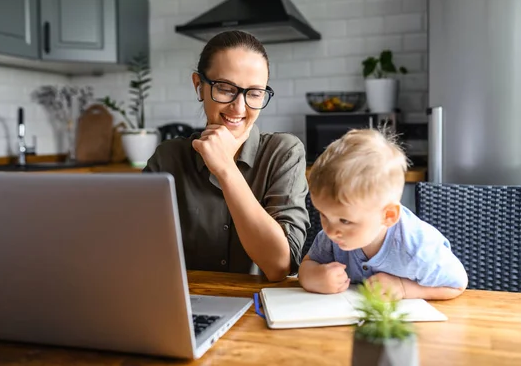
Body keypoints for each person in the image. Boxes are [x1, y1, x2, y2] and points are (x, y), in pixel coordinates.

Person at [143, 30, 310, 282]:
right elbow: (136, 253)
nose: (239, 107)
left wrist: (225, 169)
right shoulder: (168, 158)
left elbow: (278, 266)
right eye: (225, 88)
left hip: (258, 310)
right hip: (185, 305)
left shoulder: (284, 152)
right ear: (199, 85)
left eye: (254, 93)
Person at [299, 128, 467, 299]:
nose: (330, 231)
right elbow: (307, 265)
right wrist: (315, 277)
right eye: (324, 215)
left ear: (388, 216)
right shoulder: (332, 237)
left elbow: (457, 284)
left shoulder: (416, 248)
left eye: (345, 221)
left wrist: (403, 288)